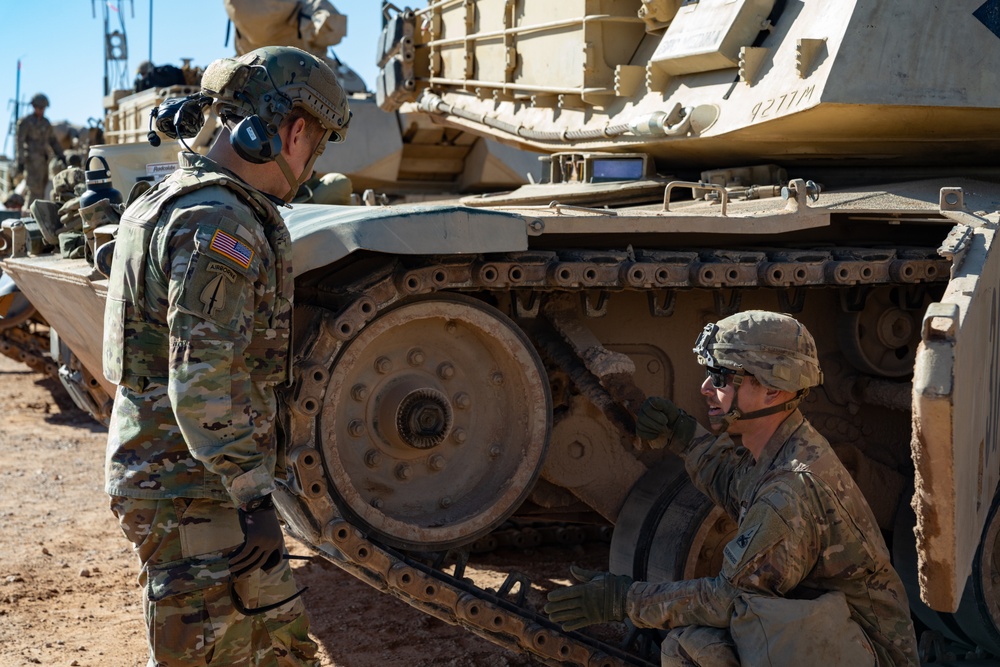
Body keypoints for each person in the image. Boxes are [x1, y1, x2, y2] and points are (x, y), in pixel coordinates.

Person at [102, 45, 350, 666]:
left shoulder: (168, 197)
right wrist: (253, 497)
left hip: (177, 476)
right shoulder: (222, 222)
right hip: (195, 488)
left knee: (272, 646)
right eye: (315, 146)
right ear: (294, 131)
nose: (310, 165)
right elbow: (201, 383)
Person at [545, 311, 919, 666]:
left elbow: (728, 598)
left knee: (696, 646)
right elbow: (737, 482)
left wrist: (622, 600)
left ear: (772, 390)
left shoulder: (789, 492)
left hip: (869, 653)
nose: (706, 388)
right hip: (843, 633)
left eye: (721, 377)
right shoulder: (787, 445)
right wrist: (683, 434)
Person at [14, 93, 65, 206]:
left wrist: (61, 155)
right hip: (31, 163)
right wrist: (20, 162)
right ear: (34, 106)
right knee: (33, 191)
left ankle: (38, 216)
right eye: (39, 107)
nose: (41, 110)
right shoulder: (25, 122)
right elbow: (19, 143)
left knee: (42, 191)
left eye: (43, 108)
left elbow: (53, 140)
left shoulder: (46, 123)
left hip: (43, 162)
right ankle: (28, 218)